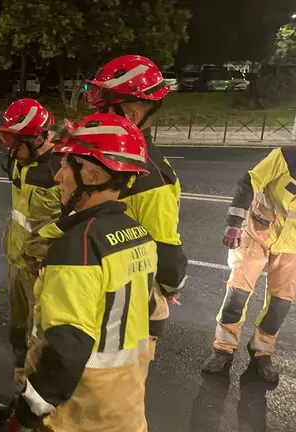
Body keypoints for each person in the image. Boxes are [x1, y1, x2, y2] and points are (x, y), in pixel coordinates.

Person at [5, 114, 157, 432]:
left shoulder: (78, 247)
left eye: (66, 165)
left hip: (82, 413)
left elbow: (66, 351)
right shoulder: (137, 234)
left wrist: (25, 416)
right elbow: (154, 313)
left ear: (92, 175)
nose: (59, 177)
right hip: (125, 406)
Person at [84, 55, 188, 371]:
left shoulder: (149, 178)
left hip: (128, 307)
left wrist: (169, 287)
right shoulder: (114, 157)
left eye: (103, 106)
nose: (96, 114)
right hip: (96, 291)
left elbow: (167, 251)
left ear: (132, 112)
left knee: (114, 396)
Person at [201, 146, 296, 383]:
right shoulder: (288, 158)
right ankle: (223, 348)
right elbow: (249, 182)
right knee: (237, 293)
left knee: (281, 303)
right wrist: (234, 224)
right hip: (258, 232)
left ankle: (262, 351)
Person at [0, 98, 62, 424]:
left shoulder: (61, 171)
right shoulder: (24, 162)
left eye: (13, 139)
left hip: (44, 274)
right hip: (19, 264)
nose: (8, 146)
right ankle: (17, 401)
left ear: (36, 138)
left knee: (39, 348)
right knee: (17, 338)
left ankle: (34, 420)